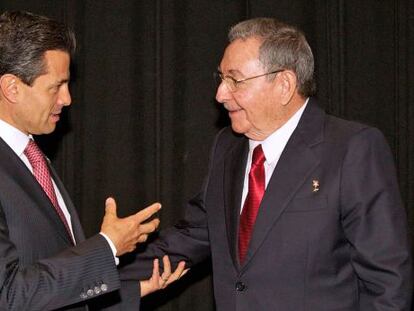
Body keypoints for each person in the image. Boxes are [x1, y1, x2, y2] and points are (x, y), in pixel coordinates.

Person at [120, 17, 413, 310]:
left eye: (235, 79)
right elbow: (191, 237)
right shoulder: (227, 148)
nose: (220, 94)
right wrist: (91, 277)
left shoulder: (350, 149)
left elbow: (387, 283)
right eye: (221, 79)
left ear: (284, 84)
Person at [0, 10, 185, 310]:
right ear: (12, 88)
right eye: (55, 87)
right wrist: (107, 246)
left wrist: (132, 292)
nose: (67, 99)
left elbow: (52, 287)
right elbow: (8, 295)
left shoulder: (32, 157)